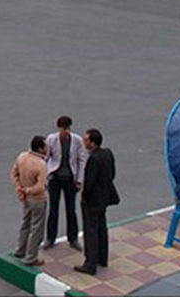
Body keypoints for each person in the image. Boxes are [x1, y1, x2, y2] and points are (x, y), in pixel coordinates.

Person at [75, 128, 118, 276]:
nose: (84, 142)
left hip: (92, 201)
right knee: (101, 228)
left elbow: (89, 183)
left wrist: (84, 196)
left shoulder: (93, 159)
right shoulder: (107, 153)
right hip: (104, 198)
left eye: (86, 140)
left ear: (93, 143)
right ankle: (102, 258)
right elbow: (112, 173)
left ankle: (90, 263)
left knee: (91, 231)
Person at [43, 116, 86, 251]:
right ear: (59, 128)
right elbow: (46, 157)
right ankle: (50, 237)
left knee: (71, 209)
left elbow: (81, 160)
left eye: (67, 128)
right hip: (55, 178)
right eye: (63, 129)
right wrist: (45, 176)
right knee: (53, 210)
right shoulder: (51, 139)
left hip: (70, 179)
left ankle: (73, 238)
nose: (65, 131)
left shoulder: (77, 140)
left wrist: (79, 180)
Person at [10, 135, 49, 266]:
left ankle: (20, 249)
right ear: (40, 148)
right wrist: (28, 190)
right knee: (36, 229)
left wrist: (19, 189)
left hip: (25, 199)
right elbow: (41, 186)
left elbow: (14, 173)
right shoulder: (40, 164)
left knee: (25, 223)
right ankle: (31, 257)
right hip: (37, 199)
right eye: (45, 146)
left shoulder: (22, 157)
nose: (47, 148)